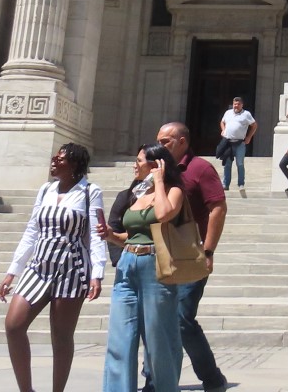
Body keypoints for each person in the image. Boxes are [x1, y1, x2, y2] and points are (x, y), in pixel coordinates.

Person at [0, 144, 107, 392]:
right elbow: (32, 231)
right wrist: (12, 271)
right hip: (39, 265)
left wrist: (97, 274)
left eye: (60, 158)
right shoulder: (45, 190)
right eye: (55, 157)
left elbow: (97, 233)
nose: (54, 161)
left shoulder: (89, 191)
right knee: (14, 325)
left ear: (75, 164)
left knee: (61, 336)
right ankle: (26, 389)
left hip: (72, 266)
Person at [145, 122, 229, 392]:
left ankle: (211, 377)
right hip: (159, 255)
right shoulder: (156, 173)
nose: (160, 145)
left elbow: (218, 208)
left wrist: (208, 250)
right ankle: (154, 379)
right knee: (157, 319)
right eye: (158, 140)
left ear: (182, 141)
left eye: (166, 141)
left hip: (191, 255)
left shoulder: (200, 168)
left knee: (182, 318)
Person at [100, 144, 184, 392]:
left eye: (139, 161)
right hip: (127, 264)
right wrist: (111, 236)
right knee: (120, 337)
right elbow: (133, 235)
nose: (134, 165)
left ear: (156, 165)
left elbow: (164, 213)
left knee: (159, 339)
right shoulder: (136, 194)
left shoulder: (173, 191)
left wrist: (159, 182)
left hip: (155, 265)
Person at [218, 96, 256, 196]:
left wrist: (249, 137)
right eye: (235, 104)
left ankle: (241, 184)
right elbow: (222, 121)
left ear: (242, 105)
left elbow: (254, 125)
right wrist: (223, 129)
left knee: (240, 164)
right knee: (227, 164)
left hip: (240, 143)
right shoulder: (228, 113)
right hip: (228, 142)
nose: (236, 106)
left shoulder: (246, 114)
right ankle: (225, 184)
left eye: (238, 104)